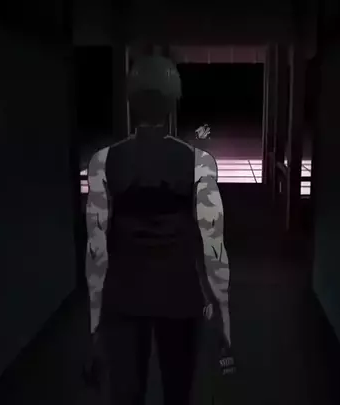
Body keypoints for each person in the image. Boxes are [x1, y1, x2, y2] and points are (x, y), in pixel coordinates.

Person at [84, 55, 234, 405]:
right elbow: (213, 247)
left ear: (131, 101)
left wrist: (93, 328)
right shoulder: (198, 162)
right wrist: (222, 316)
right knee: (178, 393)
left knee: (127, 395)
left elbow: (96, 250)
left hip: (124, 296)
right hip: (180, 294)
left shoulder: (104, 161)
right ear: (172, 103)